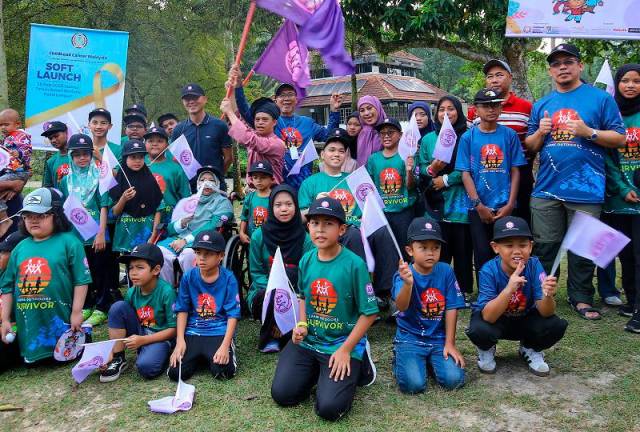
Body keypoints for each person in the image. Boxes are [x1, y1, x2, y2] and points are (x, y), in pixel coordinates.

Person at [525, 43, 626, 320]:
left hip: (588, 188)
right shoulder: (542, 104)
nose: (562, 67)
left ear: (580, 66)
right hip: (546, 187)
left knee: (584, 248)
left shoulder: (600, 99)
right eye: (556, 64)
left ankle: (581, 297)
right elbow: (530, 146)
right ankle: (541, 295)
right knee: (545, 245)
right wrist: (540, 133)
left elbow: (620, 138)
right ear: (550, 71)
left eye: (568, 62)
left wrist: (588, 131)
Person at [271, 197, 379, 421]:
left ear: (342, 229)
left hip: (341, 343)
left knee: (329, 409)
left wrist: (346, 350)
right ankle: (319, 372)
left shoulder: (354, 265)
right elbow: (302, 296)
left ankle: (360, 359)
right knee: (283, 394)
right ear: (308, 226)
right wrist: (301, 324)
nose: (320, 229)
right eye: (314, 223)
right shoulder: (307, 260)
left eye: (328, 223)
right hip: (310, 341)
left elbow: (370, 313)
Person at [466, 216, 568, 376]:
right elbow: (488, 317)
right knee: (479, 329)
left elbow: (546, 312)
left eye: (523, 245)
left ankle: (530, 348)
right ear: (495, 247)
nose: (517, 251)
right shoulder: (488, 270)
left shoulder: (534, 266)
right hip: (497, 320)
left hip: (525, 320)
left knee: (556, 325)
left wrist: (547, 295)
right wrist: (508, 289)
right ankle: (486, 349)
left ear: (531, 247)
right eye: (508, 245)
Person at [0, 188, 90, 366]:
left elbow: (82, 280)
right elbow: (8, 287)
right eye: (28, 216)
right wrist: (4, 320)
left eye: (41, 215)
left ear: (56, 215)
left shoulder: (70, 242)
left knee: (62, 357)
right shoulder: (19, 248)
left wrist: (76, 312)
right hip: (29, 328)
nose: (33, 219)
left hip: (62, 325)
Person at [231, 66, 342, 188]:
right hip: (276, 183)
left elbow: (329, 135)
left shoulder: (307, 123)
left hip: (303, 182)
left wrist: (334, 110)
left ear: (296, 99)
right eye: (282, 95)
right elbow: (246, 112)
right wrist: (238, 87)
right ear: (275, 100)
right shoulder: (269, 121)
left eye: (290, 94)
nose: (286, 98)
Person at [456, 89, 527, 279]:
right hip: (478, 207)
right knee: (482, 252)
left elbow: (515, 170)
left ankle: (508, 290)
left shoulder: (509, 135)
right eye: (486, 105)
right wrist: (478, 205)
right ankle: (486, 297)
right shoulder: (468, 138)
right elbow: (465, 174)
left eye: (495, 105)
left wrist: (511, 204)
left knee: (507, 251)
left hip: (505, 205)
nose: (491, 109)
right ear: (476, 109)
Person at [392, 218, 466, 394]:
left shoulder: (446, 271)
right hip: (410, 337)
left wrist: (450, 343)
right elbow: (401, 307)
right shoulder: (403, 275)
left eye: (435, 247)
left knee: (454, 380)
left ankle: (432, 361)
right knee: (413, 385)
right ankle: (400, 357)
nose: (430, 253)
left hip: (438, 338)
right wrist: (408, 284)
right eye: (423, 247)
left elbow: (451, 307)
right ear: (410, 250)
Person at [416, 96, 474, 297]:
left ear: (458, 111)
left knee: (463, 250)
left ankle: (464, 290)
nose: (446, 113)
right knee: (439, 248)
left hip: (461, 203)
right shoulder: (428, 139)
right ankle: (440, 288)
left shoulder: (467, 136)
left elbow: (469, 166)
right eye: (442, 109)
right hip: (436, 203)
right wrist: (432, 170)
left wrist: (446, 179)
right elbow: (420, 166)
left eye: (451, 109)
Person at [168, 230, 240, 381]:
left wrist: (225, 346)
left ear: (221, 256)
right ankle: (198, 356)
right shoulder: (188, 276)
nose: (202, 258)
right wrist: (180, 341)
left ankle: (212, 354)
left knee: (223, 372)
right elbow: (182, 309)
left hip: (218, 331)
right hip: (193, 331)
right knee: (176, 374)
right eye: (198, 252)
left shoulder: (228, 278)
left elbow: (233, 314)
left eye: (208, 253)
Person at [248, 184, 313, 352]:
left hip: (296, 293)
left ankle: (288, 331)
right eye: (278, 205)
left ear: (296, 207)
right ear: (271, 207)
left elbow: (307, 272)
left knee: (291, 273)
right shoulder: (258, 236)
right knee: (274, 291)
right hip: (263, 291)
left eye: (289, 204)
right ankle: (270, 336)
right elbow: (256, 272)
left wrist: (294, 291)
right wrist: (272, 289)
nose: (284, 209)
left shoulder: (305, 238)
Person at [59, 134, 115, 327]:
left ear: (92, 155)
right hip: (76, 235)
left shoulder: (100, 177)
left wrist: (100, 233)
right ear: (71, 157)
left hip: (97, 234)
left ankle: (102, 307)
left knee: (100, 271)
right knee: (83, 271)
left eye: (86, 154)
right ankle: (88, 304)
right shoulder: (65, 181)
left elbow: (104, 207)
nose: (82, 158)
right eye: (78, 155)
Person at [468, 59, 534, 223]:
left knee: (517, 225)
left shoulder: (526, 107)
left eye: (499, 75)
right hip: (485, 175)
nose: (494, 80)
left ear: (510, 77)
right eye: (490, 76)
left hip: (519, 173)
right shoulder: (474, 112)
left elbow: (533, 142)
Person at [600, 64, 640, 332]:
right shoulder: (611, 115)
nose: (630, 85)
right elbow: (605, 155)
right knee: (623, 253)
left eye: (637, 81)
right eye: (625, 80)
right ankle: (632, 300)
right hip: (616, 198)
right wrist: (621, 187)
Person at [100, 244, 177, 382]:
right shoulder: (132, 291)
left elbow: (174, 330)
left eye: (140, 267)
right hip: (140, 330)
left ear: (156, 270)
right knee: (118, 307)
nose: (133, 272)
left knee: (146, 368)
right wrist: (109, 353)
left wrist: (144, 340)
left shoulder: (167, 292)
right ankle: (118, 358)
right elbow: (123, 317)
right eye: (130, 268)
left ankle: (157, 352)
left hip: (161, 337)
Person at [157, 166, 234, 285]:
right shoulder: (189, 201)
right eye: (202, 180)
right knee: (161, 251)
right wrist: (181, 222)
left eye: (211, 180)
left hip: (204, 240)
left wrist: (185, 241)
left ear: (217, 183)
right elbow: (171, 230)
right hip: (178, 238)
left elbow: (213, 226)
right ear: (198, 183)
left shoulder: (222, 202)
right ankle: (168, 290)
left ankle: (193, 289)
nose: (206, 183)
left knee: (189, 254)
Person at [298, 128, 364, 257]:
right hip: (322, 233)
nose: (337, 154)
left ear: (346, 155)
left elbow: (366, 212)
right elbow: (299, 218)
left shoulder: (355, 180)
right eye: (332, 150)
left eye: (341, 151)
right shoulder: (310, 183)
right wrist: (315, 205)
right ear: (322, 154)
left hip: (351, 234)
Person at [366, 118, 416, 256]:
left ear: (400, 134)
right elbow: (369, 187)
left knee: (404, 250)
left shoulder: (406, 156)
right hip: (382, 213)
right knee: (384, 252)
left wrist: (409, 170)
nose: (386, 136)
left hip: (403, 213)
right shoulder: (373, 159)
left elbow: (410, 186)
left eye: (390, 132)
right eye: (382, 133)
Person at [171, 83, 233, 189]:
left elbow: (228, 158)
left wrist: (216, 176)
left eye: (195, 97)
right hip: (189, 188)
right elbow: (176, 160)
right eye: (187, 99)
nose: (191, 102)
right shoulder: (178, 129)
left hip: (215, 187)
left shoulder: (219, 126)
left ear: (205, 99)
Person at [109, 140, 164, 254]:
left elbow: (159, 208)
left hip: (147, 233)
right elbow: (114, 213)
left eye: (141, 157)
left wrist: (154, 234)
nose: (137, 161)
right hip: (126, 236)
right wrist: (123, 199)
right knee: (128, 267)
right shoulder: (118, 181)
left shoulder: (150, 180)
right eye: (133, 157)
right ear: (125, 159)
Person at [221, 90, 285, 186]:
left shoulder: (277, 143)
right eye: (257, 119)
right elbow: (236, 121)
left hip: (271, 192)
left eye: (265, 119)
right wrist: (232, 93)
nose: (260, 122)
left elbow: (250, 139)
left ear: (274, 122)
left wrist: (229, 112)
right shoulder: (254, 134)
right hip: (252, 192)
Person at [145, 126, 191, 224]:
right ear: (145, 143)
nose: (155, 144)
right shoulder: (137, 164)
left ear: (167, 144)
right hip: (144, 217)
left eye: (160, 141)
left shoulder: (176, 168)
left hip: (169, 217)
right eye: (150, 141)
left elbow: (185, 196)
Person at [0, 109, 32, 237]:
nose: (2, 127)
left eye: (5, 124)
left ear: (17, 124)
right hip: (12, 177)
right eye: (0, 125)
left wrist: (16, 183)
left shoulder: (19, 136)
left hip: (15, 175)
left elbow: (26, 151)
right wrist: (13, 185)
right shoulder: (6, 139)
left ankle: (4, 219)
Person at [0, 232, 27, 372]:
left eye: (5, 252)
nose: (1, 256)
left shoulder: (26, 278)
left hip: (15, 330)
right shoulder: (2, 273)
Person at [239, 161, 274, 244]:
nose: (259, 180)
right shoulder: (250, 197)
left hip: (270, 238)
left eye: (263, 177)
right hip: (251, 239)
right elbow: (244, 217)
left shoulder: (275, 197)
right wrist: (241, 233)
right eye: (255, 177)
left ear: (272, 180)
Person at [356, 95, 387, 167]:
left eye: (369, 108)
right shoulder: (362, 133)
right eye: (362, 110)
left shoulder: (390, 130)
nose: (366, 113)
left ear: (378, 108)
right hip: (363, 176)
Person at [41, 121, 70, 189]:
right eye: (50, 138)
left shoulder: (81, 156)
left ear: (66, 133)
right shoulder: (51, 162)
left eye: (56, 136)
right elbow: (48, 187)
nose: (53, 140)